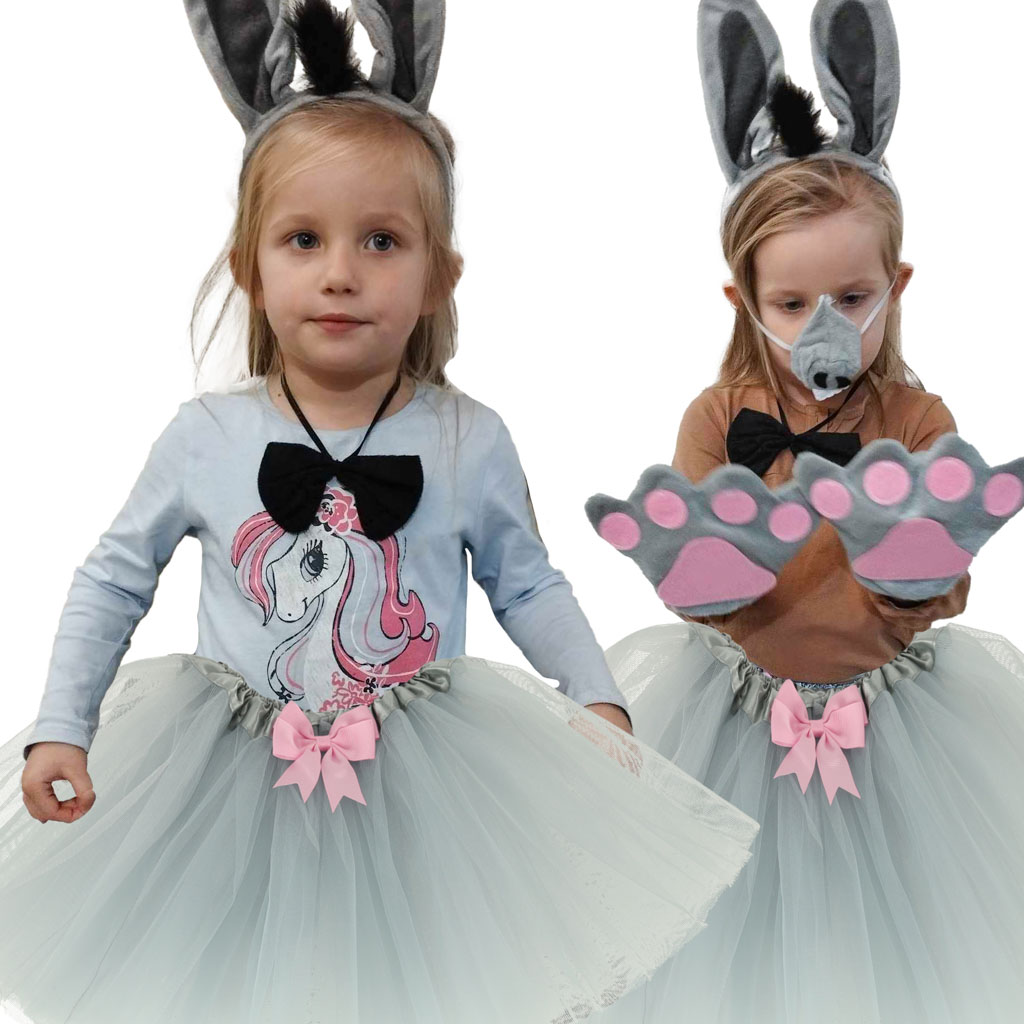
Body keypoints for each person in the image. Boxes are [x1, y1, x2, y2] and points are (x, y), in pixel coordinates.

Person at [0, 3, 759, 1022]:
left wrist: (596, 695)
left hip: (419, 784)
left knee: (423, 979)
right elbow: (113, 579)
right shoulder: (205, 436)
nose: (340, 272)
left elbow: (528, 581)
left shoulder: (467, 439)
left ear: (440, 274)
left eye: (382, 240)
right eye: (302, 239)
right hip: (232, 786)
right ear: (249, 266)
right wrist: (63, 723)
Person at [586, 1, 1024, 1021]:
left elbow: (948, 587)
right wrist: (707, 566)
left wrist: (913, 574)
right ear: (744, 301)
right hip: (734, 712)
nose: (824, 324)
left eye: (852, 297)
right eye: (791, 304)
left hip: (892, 720)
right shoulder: (718, 417)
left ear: (894, 285)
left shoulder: (917, 418)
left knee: (909, 942)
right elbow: (696, 592)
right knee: (720, 937)